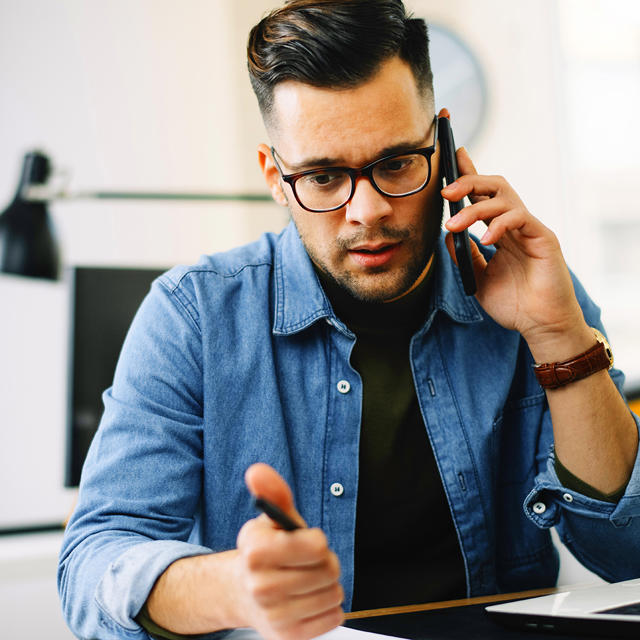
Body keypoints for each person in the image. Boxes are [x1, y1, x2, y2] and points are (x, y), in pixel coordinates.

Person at [58, 1, 640, 639]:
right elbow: (93, 568)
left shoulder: (536, 291)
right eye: (324, 176)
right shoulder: (192, 318)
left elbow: (625, 555)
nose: (365, 211)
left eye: (395, 164)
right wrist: (232, 588)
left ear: (443, 146)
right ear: (275, 178)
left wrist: (558, 336)